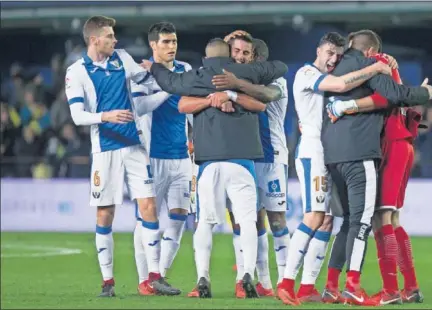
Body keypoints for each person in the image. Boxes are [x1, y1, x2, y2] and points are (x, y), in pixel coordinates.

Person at [143, 38, 288, 298]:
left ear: (205, 58)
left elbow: (170, 84)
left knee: (205, 224)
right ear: (230, 55)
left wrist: (153, 67)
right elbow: (276, 73)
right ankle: (247, 276)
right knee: (247, 222)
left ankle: (202, 280)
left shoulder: (197, 77)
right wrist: (224, 96)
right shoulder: (246, 73)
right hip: (243, 162)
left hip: (209, 163)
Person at [65, 15, 180, 297]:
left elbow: (147, 81)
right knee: (106, 213)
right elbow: (77, 116)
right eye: (109, 36)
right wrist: (106, 116)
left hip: (135, 146)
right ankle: (108, 282)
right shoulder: (76, 71)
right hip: (105, 150)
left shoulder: (122, 58)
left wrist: (163, 73)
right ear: (94, 40)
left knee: (149, 206)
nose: (115, 40)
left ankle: (154, 277)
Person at [275, 32, 393, 306]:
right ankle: (286, 282)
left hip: (329, 153)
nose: (332, 59)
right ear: (318, 50)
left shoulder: (329, 75)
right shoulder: (306, 73)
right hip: (312, 151)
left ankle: (307, 288)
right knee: (314, 216)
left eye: (337, 56)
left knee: (329, 220)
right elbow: (341, 85)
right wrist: (375, 67)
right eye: (328, 53)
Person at [321, 29, 432, 306]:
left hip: (392, 145)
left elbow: (388, 98)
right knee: (390, 218)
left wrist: (348, 106)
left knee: (381, 218)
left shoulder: (377, 62)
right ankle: (411, 288)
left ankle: (392, 290)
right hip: (400, 143)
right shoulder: (381, 63)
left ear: (366, 51)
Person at [209, 31, 288, 298]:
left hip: (273, 157)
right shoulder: (229, 78)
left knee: (276, 221)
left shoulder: (276, 81)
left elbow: (265, 96)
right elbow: (213, 56)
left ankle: (285, 280)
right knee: (246, 221)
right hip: (245, 157)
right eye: (239, 53)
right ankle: (255, 280)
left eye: (249, 55)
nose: (243, 58)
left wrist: (234, 86)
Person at [129, 22, 200, 295]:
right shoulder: (142, 74)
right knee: (146, 219)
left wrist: (197, 136)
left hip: (182, 156)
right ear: (153, 45)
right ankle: (143, 280)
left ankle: (160, 276)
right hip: (151, 157)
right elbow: (140, 106)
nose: (172, 46)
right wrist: (169, 88)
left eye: (174, 41)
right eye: (166, 42)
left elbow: (192, 109)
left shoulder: (185, 70)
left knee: (179, 216)